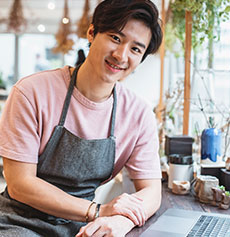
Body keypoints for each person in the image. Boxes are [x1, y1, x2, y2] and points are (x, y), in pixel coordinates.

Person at [0, 0, 163, 236]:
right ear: (91, 32)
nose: (121, 55)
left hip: (82, 227)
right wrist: (98, 211)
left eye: (136, 49)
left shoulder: (138, 115)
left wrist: (123, 222)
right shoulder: (31, 92)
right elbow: (20, 185)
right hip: (18, 222)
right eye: (115, 38)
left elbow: (152, 191)